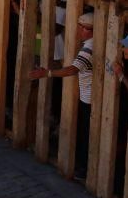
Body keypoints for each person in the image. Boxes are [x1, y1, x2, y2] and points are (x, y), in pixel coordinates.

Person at [28, 12, 94, 180]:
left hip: (89, 100)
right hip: (87, 97)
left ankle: (84, 169)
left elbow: (73, 69)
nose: (80, 30)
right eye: (80, 26)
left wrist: (48, 73)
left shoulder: (89, 49)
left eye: (85, 28)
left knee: (86, 135)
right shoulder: (90, 44)